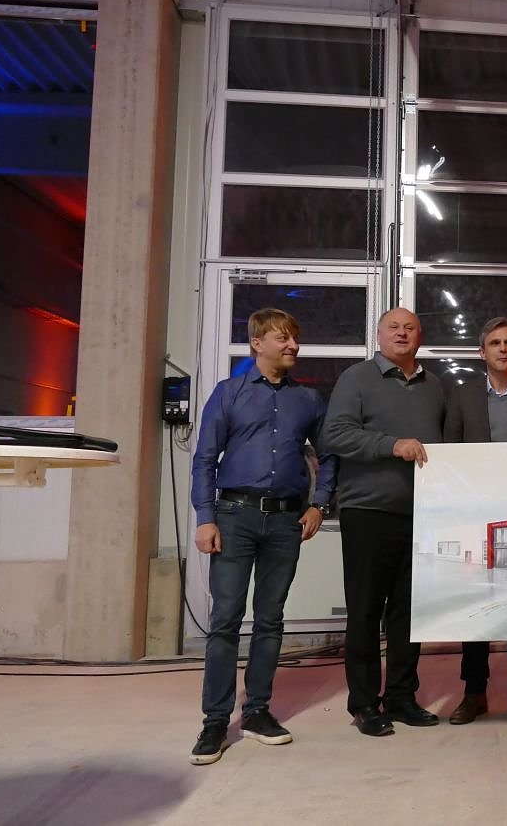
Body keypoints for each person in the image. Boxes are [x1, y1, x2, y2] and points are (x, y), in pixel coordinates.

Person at [189, 307, 337, 766]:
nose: (293, 345)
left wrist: (319, 504)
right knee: (225, 620)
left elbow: (330, 455)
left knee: (271, 619)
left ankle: (256, 712)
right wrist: (205, 517)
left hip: (285, 523)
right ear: (257, 343)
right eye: (282, 338)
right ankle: (215, 722)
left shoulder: (307, 400)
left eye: (294, 338)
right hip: (233, 517)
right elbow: (204, 458)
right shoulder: (229, 393)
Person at [323, 307, 444, 737]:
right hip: (369, 511)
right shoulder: (356, 379)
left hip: (422, 514)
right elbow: (334, 434)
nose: (402, 333)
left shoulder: (435, 386)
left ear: (419, 337)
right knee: (365, 611)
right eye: (394, 327)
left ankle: (401, 697)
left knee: (409, 613)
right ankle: (364, 704)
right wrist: (391, 445)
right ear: (378, 335)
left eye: (410, 328)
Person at [443, 317, 507, 726]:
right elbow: (450, 453)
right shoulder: (462, 396)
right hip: (475, 516)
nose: (502, 349)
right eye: (494, 343)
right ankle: (474, 693)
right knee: (477, 605)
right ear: (481, 351)